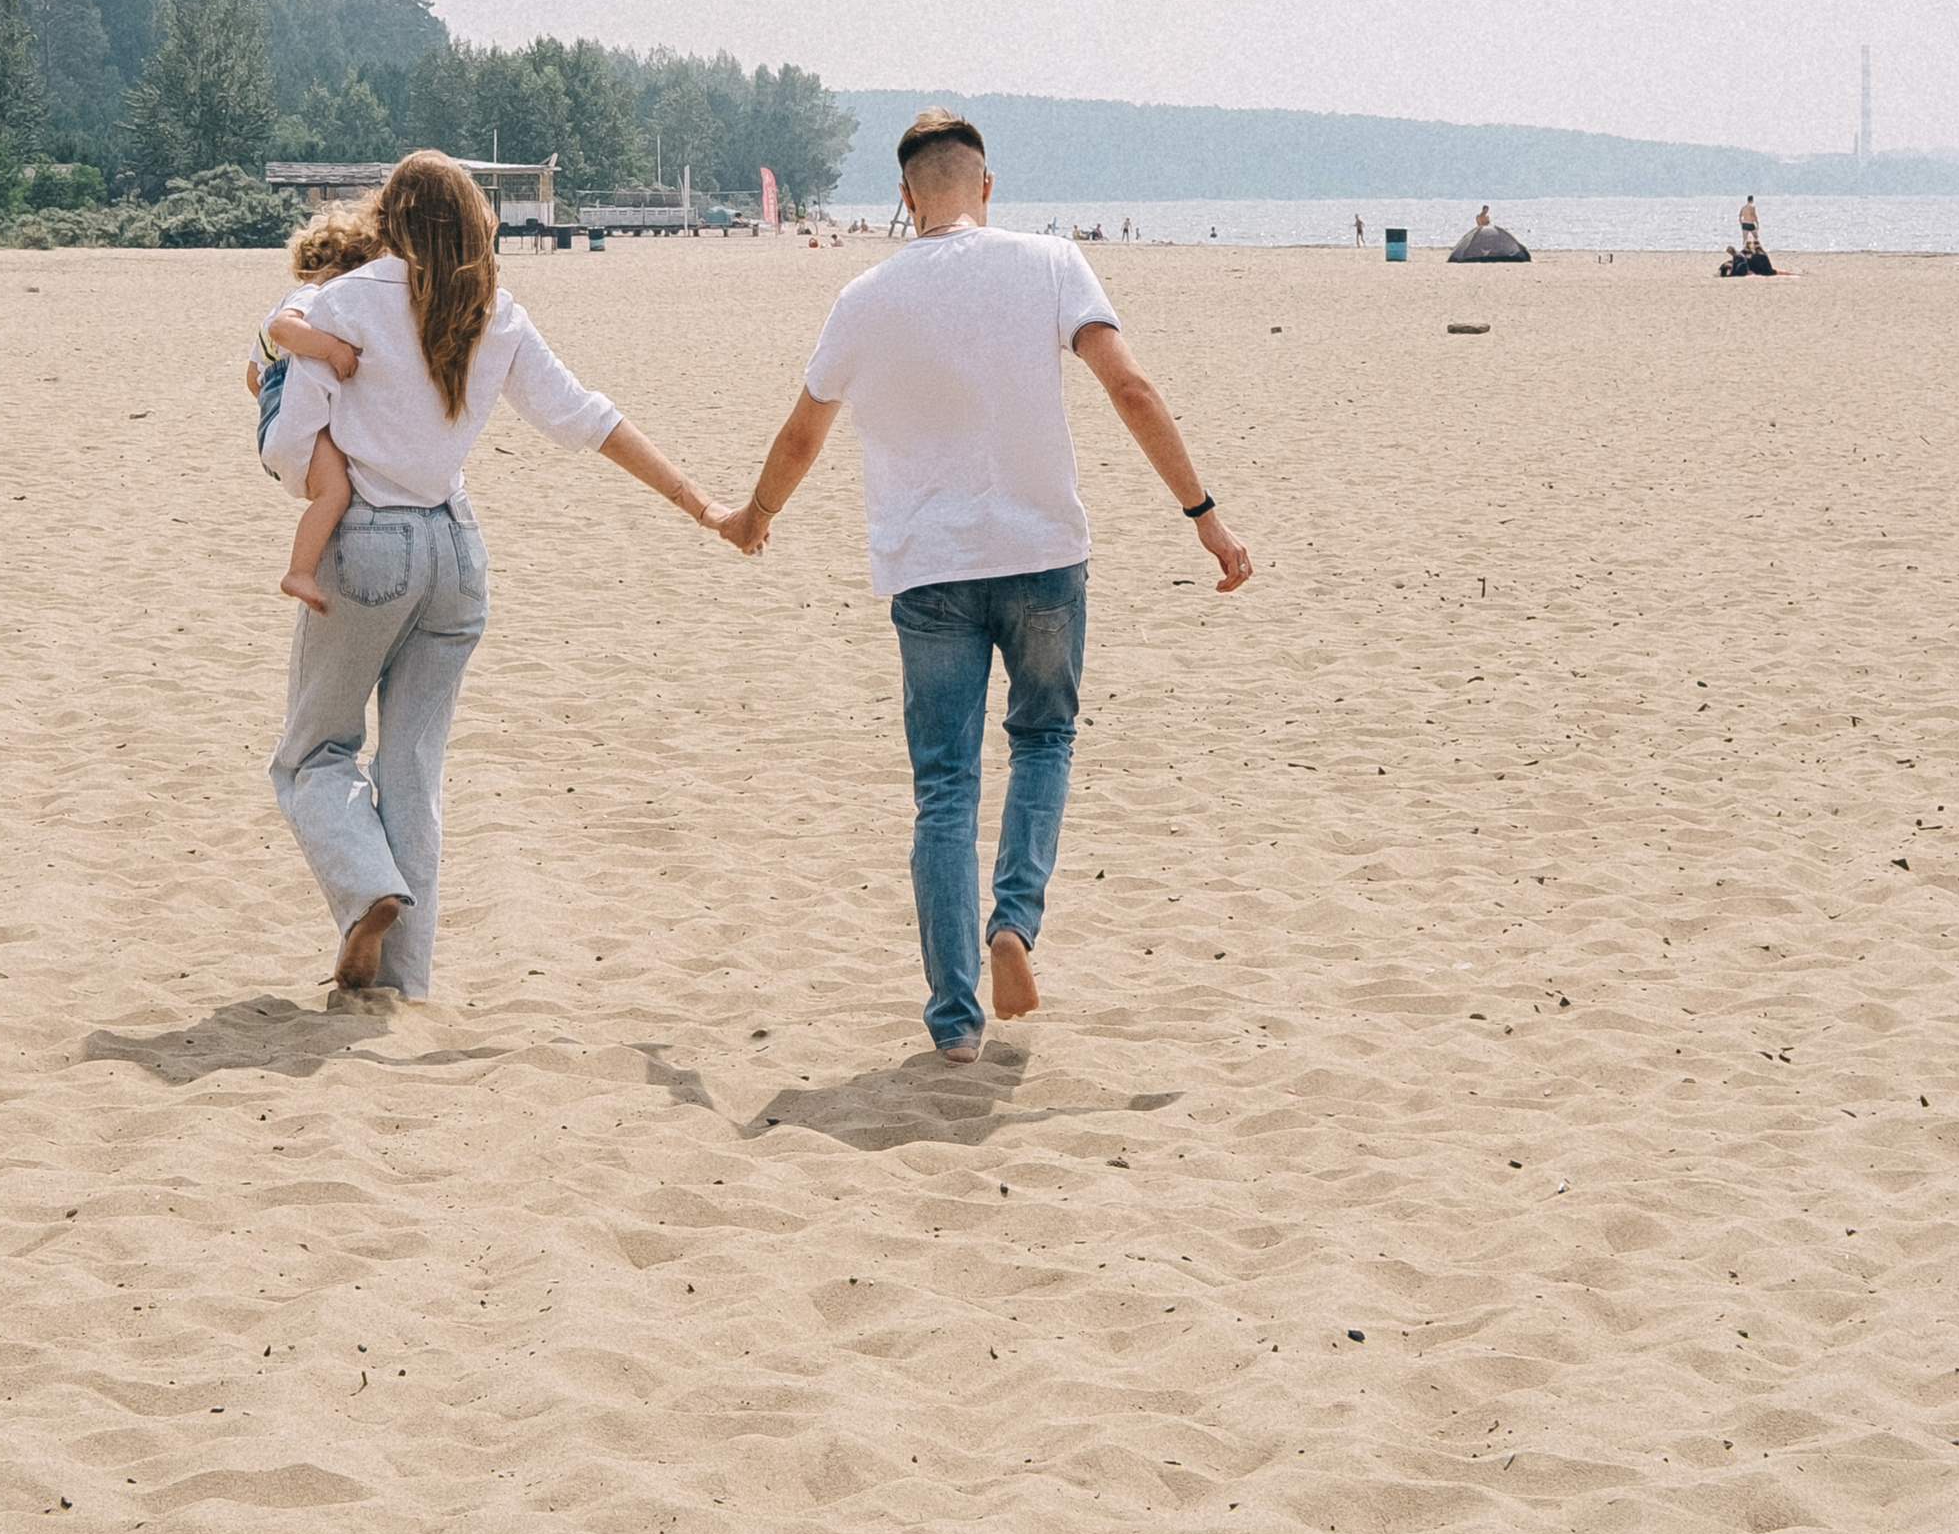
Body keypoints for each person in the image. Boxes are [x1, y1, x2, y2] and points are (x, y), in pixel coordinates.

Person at [715, 107, 1253, 1059]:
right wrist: (1202, 514)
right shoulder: (1050, 264)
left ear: (906, 196)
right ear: (988, 186)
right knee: (1043, 739)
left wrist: (755, 517)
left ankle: (955, 1023)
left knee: (945, 789)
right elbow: (1131, 388)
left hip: (928, 572)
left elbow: (803, 434)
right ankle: (1014, 921)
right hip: (1043, 555)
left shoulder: (865, 298)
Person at [272, 151, 727, 999]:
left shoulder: (344, 302)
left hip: (369, 545)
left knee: (314, 753)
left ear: (390, 219)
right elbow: (586, 418)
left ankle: (367, 888)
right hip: (457, 554)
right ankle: (404, 984)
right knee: (413, 771)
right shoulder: (495, 310)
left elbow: (293, 437)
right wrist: (700, 505)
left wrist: (291, 458)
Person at [245, 199, 386, 616]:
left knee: (334, 484)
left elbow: (252, 378)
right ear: (343, 269)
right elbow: (284, 329)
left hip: (273, 411)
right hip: (287, 410)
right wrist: (331, 349)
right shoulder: (312, 295)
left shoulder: (286, 298)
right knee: (335, 492)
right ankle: (299, 571)